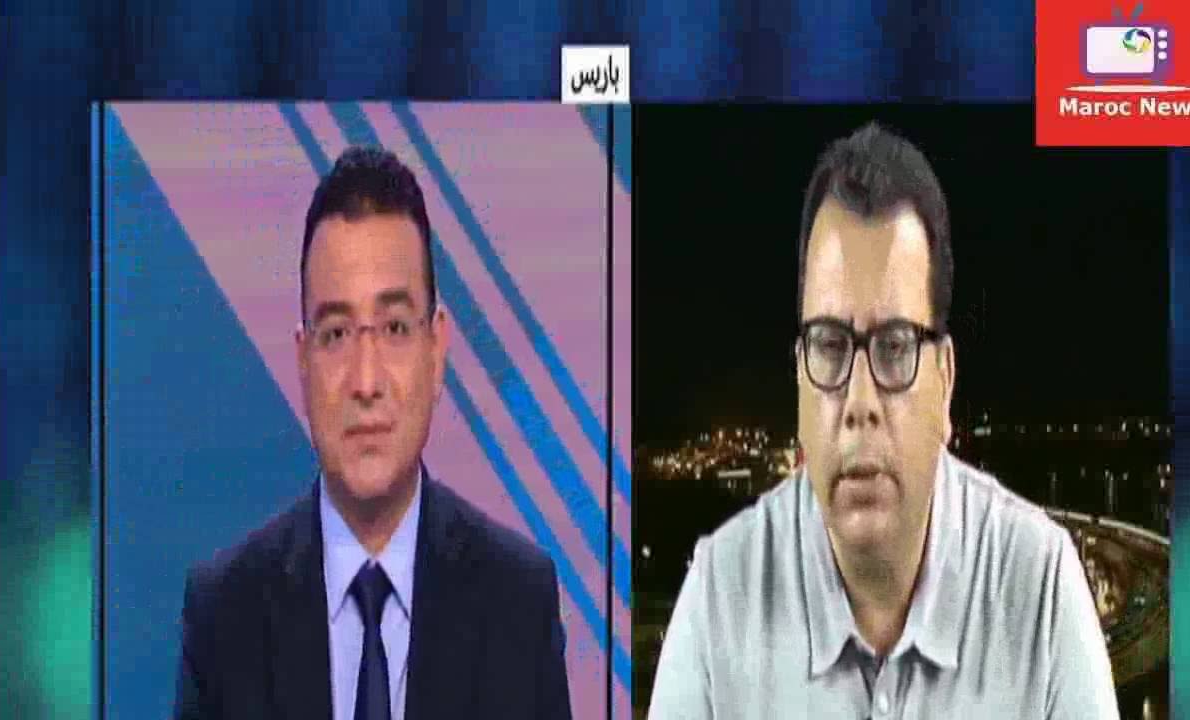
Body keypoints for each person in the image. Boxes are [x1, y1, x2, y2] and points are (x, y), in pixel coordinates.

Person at [647, 123, 1119, 719]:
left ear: (944, 381)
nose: (859, 402)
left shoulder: (1041, 590)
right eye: (829, 345)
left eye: (895, 347)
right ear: (799, 380)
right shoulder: (719, 597)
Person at [173, 147, 573, 720]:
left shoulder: (518, 601)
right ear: (303, 360)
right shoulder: (223, 615)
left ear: (437, 349)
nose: (365, 381)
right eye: (336, 333)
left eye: (395, 328)